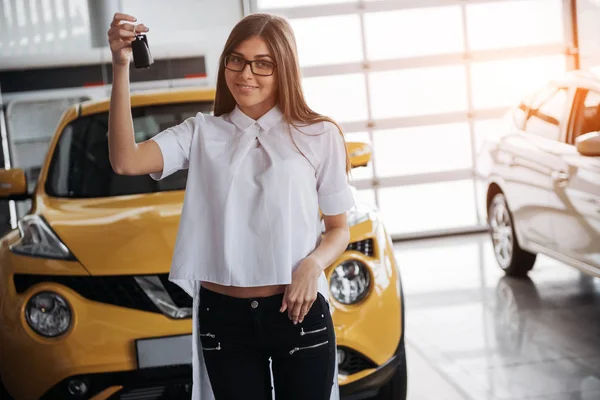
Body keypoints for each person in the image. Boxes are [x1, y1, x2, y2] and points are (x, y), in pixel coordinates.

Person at [107, 12, 355, 400]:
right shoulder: (201, 132)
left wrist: (312, 264)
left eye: (263, 63)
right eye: (236, 59)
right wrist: (121, 66)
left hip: (299, 311)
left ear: (284, 68)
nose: (245, 73)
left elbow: (339, 229)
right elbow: (126, 161)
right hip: (224, 321)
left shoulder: (320, 135)